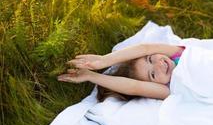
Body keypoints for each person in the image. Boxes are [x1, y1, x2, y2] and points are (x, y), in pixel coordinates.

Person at [57, 43, 185, 100]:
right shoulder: (169, 89)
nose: (159, 65)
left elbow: (144, 48)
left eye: (150, 59)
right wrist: (91, 76)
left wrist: (104, 60)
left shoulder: (178, 53)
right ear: (155, 85)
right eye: (152, 74)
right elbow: (135, 87)